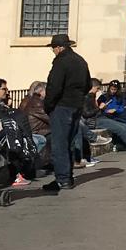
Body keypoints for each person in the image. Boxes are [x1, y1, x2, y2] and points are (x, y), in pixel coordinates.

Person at [41, 33, 91, 194]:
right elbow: (88, 84)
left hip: (62, 106)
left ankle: (62, 179)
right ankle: (66, 176)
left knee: (60, 144)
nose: (53, 51)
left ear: (59, 47)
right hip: (76, 105)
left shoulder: (61, 62)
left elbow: (54, 87)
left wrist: (48, 105)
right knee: (69, 142)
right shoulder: (80, 61)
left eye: (54, 48)